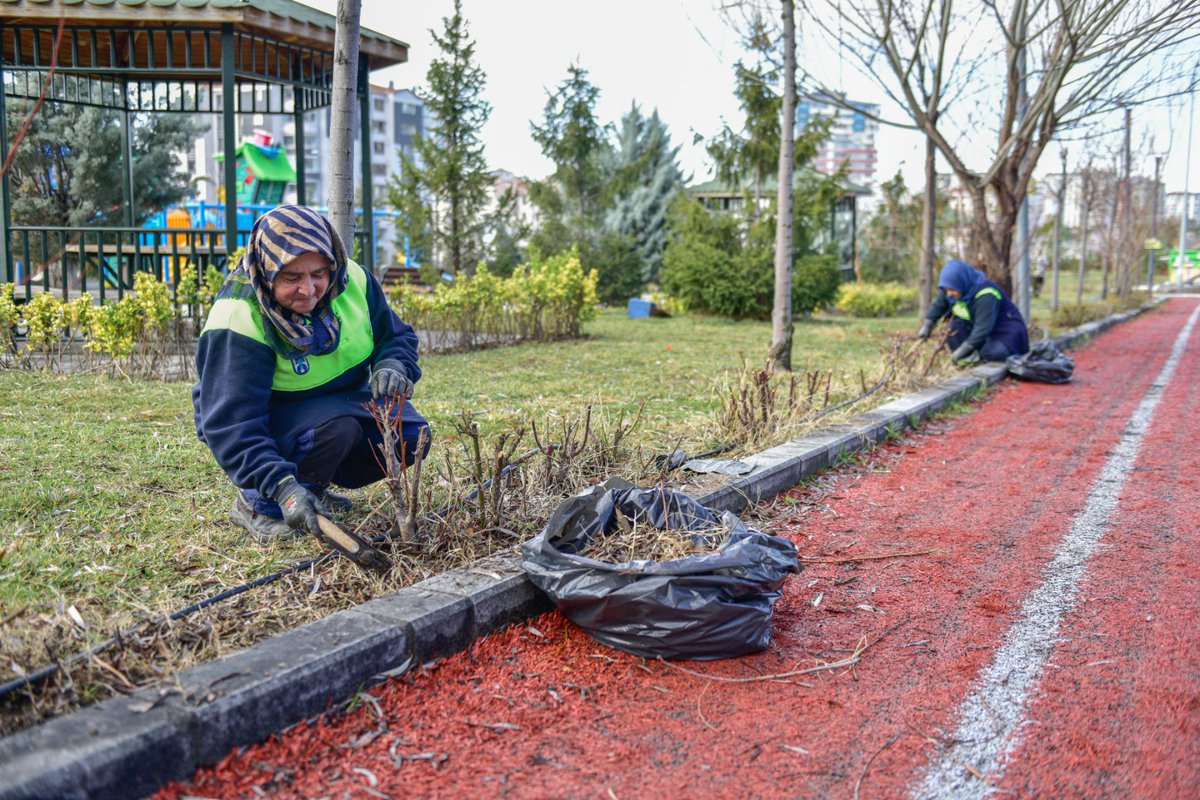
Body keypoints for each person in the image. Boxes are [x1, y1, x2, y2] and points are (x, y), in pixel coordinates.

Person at [192, 205, 429, 543]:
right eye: (291, 277)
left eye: (319, 273)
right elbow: (232, 425)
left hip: (331, 404)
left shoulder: (352, 281)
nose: (309, 289)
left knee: (410, 435)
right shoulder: (238, 319)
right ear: (267, 270)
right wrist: (282, 487)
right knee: (334, 430)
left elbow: (395, 335)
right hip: (267, 420)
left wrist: (393, 364)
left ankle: (313, 486)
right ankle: (259, 503)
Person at [917, 258, 1029, 365]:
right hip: (974, 326)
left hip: (1003, 331)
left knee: (994, 352)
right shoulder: (951, 289)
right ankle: (972, 358)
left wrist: (962, 351)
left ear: (962, 282)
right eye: (946, 290)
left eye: (951, 290)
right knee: (953, 331)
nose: (949, 293)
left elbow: (982, 330)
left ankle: (981, 358)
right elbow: (938, 305)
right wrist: (928, 324)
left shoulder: (986, 295)